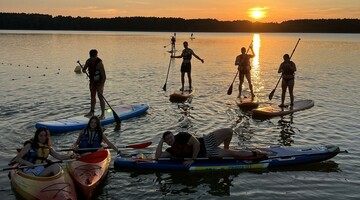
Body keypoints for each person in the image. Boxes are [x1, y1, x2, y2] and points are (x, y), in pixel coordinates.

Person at [155, 128, 267, 166]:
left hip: (207, 141)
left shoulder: (181, 136)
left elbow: (197, 144)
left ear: (173, 135)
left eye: (170, 137)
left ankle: (226, 149)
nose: (170, 139)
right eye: (167, 139)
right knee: (235, 154)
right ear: (166, 142)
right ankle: (255, 153)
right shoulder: (171, 150)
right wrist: (161, 141)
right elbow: (158, 157)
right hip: (208, 153)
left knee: (229, 131)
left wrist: (192, 159)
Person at [82, 49, 106, 119]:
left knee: (100, 97)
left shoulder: (100, 63)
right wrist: (83, 70)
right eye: (92, 57)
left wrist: (101, 85)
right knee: (92, 97)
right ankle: (91, 112)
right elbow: (84, 69)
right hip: (92, 82)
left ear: (96, 55)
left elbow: (104, 76)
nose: (93, 59)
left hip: (99, 82)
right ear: (90, 56)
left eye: (94, 57)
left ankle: (103, 114)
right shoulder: (88, 61)